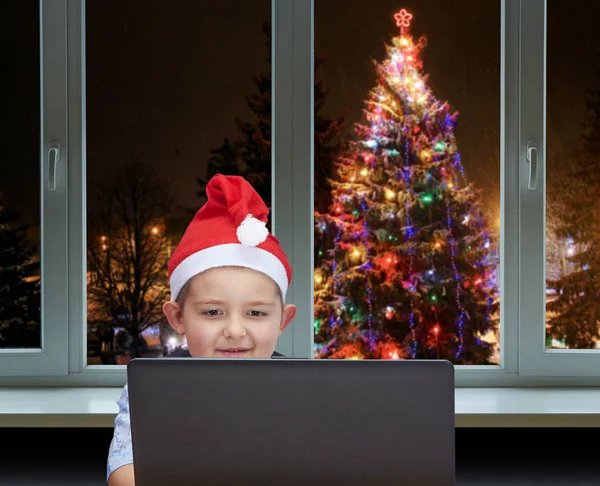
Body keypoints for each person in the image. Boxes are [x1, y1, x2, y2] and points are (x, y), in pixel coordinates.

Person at [106, 174, 297, 486]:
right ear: (178, 318)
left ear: (282, 321)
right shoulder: (152, 389)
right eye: (213, 312)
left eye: (255, 312)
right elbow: (124, 477)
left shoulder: (305, 390)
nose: (235, 330)